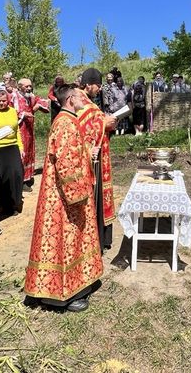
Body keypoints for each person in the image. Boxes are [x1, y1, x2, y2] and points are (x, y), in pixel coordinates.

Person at [24, 84, 103, 312]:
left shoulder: (66, 120)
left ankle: (68, 288)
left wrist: (87, 150)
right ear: (70, 99)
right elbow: (66, 162)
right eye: (79, 96)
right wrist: (79, 195)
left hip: (59, 194)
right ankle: (61, 296)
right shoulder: (66, 123)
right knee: (64, 241)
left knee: (67, 241)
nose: (83, 99)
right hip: (64, 198)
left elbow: (70, 151)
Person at [76, 68, 117, 251]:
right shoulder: (80, 102)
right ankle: (94, 240)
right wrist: (104, 123)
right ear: (88, 84)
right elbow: (82, 130)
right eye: (97, 85)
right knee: (94, 196)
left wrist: (105, 123)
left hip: (99, 156)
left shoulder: (88, 101)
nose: (99, 89)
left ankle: (101, 237)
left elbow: (93, 123)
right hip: (90, 159)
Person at [0, 89, 25, 215]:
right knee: (2, 177)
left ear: (8, 101)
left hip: (12, 146)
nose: (1, 103)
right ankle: (5, 205)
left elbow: (17, 131)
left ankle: (15, 202)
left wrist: (20, 147)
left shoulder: (13, 111)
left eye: (4, 101)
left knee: (17, 174)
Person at [12, 78, 48, 188]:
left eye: (30, 86)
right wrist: (24, 114)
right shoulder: (14, 96)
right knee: (21, 152)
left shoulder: (30, 96)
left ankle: (27, 177)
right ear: (19, 87)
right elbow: (10, 111)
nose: (29, 88)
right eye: (26, 86)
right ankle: (20, 180)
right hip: (19, 129)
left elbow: (41, 101)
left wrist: (36, 107)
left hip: (29, 129)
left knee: (29, 151)